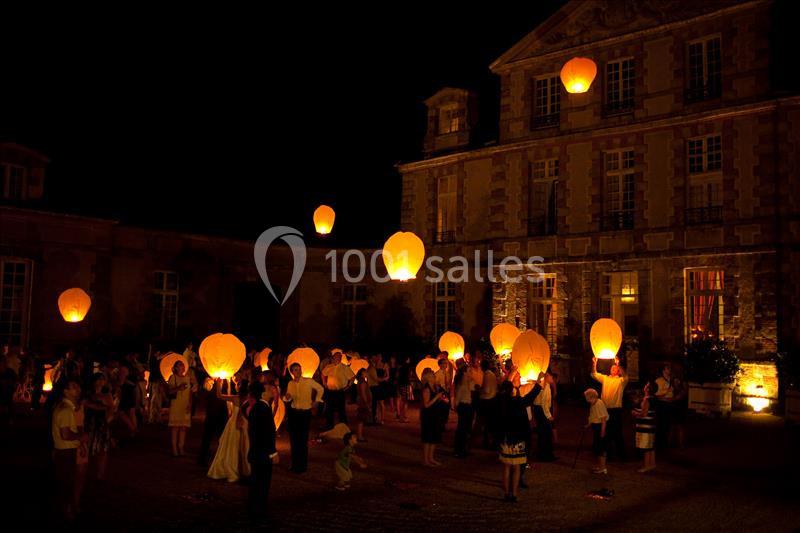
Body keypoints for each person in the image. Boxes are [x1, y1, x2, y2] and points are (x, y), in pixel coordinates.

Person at [496, 377, 542, 503]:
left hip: (505, 438)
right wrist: (538, 383)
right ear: (512, 391)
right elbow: (530, 396)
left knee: (506, 467)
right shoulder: (517, 402)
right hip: (517, 439)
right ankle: (514, 494)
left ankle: (506, 493)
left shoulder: (500, 402)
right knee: (516, 467)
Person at [51, 378, 86, 520]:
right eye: (73, 387)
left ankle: (68, 508)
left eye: (78, 386)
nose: (77, 389)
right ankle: (67, 510)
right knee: (67, 482)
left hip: (64, 450)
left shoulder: (65, 408)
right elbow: (65, 434)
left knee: (67, 481)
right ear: (65, 391)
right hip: (66, 451)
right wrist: (81, 437)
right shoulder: (66, 411)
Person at [246, 381, 279, 523]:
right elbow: (265, 434)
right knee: (262, 482)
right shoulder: (262, 409)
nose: (273, 391)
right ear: (263, 392)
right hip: (263, 453)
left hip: (257, 452)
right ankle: (258, 512)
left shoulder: (259, 407)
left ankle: (256, 509)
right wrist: (273, 453)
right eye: (269, 389)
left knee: (257, 482)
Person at [283, 362, 324, 474]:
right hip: (294, 413)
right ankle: (295, 464)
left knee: (302, 440)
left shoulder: (308, 381)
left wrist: (317, 400)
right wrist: (287, 397)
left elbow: (320, 388)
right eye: (296, 370)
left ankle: (302, 466)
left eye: (299, 369)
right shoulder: (290, 383)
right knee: (294, 440)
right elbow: (288, 397)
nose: (299, 371)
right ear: (292, 372)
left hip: (305, 413)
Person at [208, 378, 250, 482]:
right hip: (245, 424)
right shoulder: (249, 399)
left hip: (234, 424)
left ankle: (230, 469)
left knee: (230, 446)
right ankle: (243, 470)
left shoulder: (235, 398)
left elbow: (219, 396)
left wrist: (218, 384)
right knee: (243, 446)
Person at [590, 356, 629, 460]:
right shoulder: (605, 378)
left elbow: (626, 377)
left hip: (616, 410)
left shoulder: (621, 381)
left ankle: (621, 455)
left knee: (617, 432)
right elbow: (594, 374)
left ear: (618, 371)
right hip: (605, 409)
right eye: (612, 367)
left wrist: (618, 364)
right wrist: (595, 363)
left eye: (615, 368)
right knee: (605, 432)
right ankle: (607, 454)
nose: (613, 368)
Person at [83, 372, 114, 480]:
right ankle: (87, 471)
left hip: (102, 424)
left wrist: (107, 419)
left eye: (103, 379)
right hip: (90, 423)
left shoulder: (107, 394)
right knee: (88, 448)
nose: (101, 382)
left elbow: (111, 409)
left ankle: (100, 474)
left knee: (102, 450)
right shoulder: (88, 394)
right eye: (99, 379)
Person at [420, 368, 448, 466]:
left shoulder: (436, 387)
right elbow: (426, 405)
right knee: (428, 438)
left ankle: (431, 458)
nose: (434, 376)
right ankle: (426, 460)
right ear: (427, 378)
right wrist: (436, 397)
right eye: (432, 375)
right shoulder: (426, 389)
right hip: (428, 416)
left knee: (434, 437)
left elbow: (438, 400)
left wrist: (441, 399)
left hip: (436, 414)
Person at [321, 351, 355, 430]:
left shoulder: (344, 367)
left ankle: (344, 426)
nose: (338, 358)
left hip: (340, 391)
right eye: (336, 356)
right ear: (333, 357)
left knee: (341, 410)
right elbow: (323, 374)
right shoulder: (329, 367)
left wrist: (348, 386)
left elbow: (352, 377)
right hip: (330, 391)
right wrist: (324, 382)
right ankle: (329, 426)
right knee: (329, 409)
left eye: (339, 357)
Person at [167, 360, 194, 456]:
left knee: (183, 428)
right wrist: (178, 388)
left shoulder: (187, 378)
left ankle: (181, 447)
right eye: (180, 365)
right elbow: (169, 391)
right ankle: (174, 449)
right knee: (175, 428)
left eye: (183, 365)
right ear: (175, 368)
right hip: (176, 404)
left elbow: (190, 393)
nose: (182, 367)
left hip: (185, 404)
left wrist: (190, 404)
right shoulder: (172, 377)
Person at [453, 363, 476, 458]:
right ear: (465, 372)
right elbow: (457, 397)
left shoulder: (469, 382)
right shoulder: (461, 383)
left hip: (468, 406)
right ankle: (459, 450)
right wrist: (456, 406)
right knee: (462, 429)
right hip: (463, 406)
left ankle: (464, 449)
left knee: (467, 428)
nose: (471, 372)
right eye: (469, 371)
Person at [584, 388, 609, 475]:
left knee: (601, 448)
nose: (586, 400)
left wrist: (602, 431)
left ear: (591, 397)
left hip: (600, 427)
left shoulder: (599, 403)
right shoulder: (593, 404)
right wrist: (589, 424)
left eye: (587, 397)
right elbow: (593, 416)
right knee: (597, 448)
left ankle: (603, 468)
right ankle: (601, 465)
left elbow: (603, 419)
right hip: (596, 427)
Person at [533, 372, 556, 462]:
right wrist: (549, 416)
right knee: (545, 433)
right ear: (547, 377)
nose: (552, 379)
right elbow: (544, 403)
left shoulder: (546, 386)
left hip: (540, 410)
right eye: (551, 377)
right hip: (542, 411)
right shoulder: (545, 387)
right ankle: (545, 455)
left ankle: (544, 454)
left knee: (543, 433)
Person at [634, 382, 657, 473]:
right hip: (650, 426)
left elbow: (644, 414)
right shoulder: (652, 399)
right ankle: (652, 464)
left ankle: (647, 466)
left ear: (648, 389)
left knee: (646, 447)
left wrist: (635, 413)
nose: (644, 386)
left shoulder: (647, 400)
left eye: (646, 385)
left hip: (645, 427)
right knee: (651, 446)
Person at [475, 359, 498, 449]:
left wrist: (479, 389)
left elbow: (487, 390)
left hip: (487, 401)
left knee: (487, 422)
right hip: (491, 400)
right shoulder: (491, 374)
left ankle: (488, 441)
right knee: (489, 422)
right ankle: (489, 441)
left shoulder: (487, 375)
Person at [654, 364, 674, 449]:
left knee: (667, 425)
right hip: (662, 405)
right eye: (667, 368)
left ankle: (665, 444)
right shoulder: (659, 381)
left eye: (670, 368)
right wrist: (667, 392)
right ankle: (659, 444)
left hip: (669, 405)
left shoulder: (671, 380)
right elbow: (656, 394)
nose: (669, 370)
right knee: (661, 424)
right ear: (663, 371)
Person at [355, 368, 372, 442]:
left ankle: (359, 435)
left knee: (361, 419)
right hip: (363, 402)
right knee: (361, 419)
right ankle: (359, 436)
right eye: (366, 372)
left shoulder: (362, 381)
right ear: (362, 373)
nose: (367, 373)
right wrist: (367, 403)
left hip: (361, 401)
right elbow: (363, 393)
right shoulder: (362, 382)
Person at [395, 355, 411, 423]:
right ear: (407, 360)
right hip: (406, 385)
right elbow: (409, 376)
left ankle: (400, 416)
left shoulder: (400, 367)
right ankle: (403, 417)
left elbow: (397, 376)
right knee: (405, 401)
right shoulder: (408, 367)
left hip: (400, 384)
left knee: (401, 400)